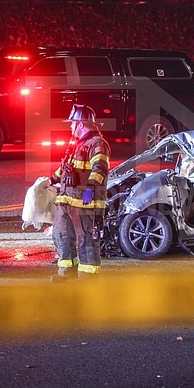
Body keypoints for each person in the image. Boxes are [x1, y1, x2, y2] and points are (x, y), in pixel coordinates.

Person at [49, 104, 110, 281]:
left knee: (87, 242)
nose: (70, 126)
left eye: (72, 123)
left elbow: (100, 169)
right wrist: (51, 180)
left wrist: (90, 189)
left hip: (86, 203)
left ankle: (87, 279)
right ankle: (66, 274)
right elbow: (66, 168)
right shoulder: (75, 144)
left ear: (81, 123)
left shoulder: (98, 144)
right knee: (62, 237)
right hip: (67, 202)